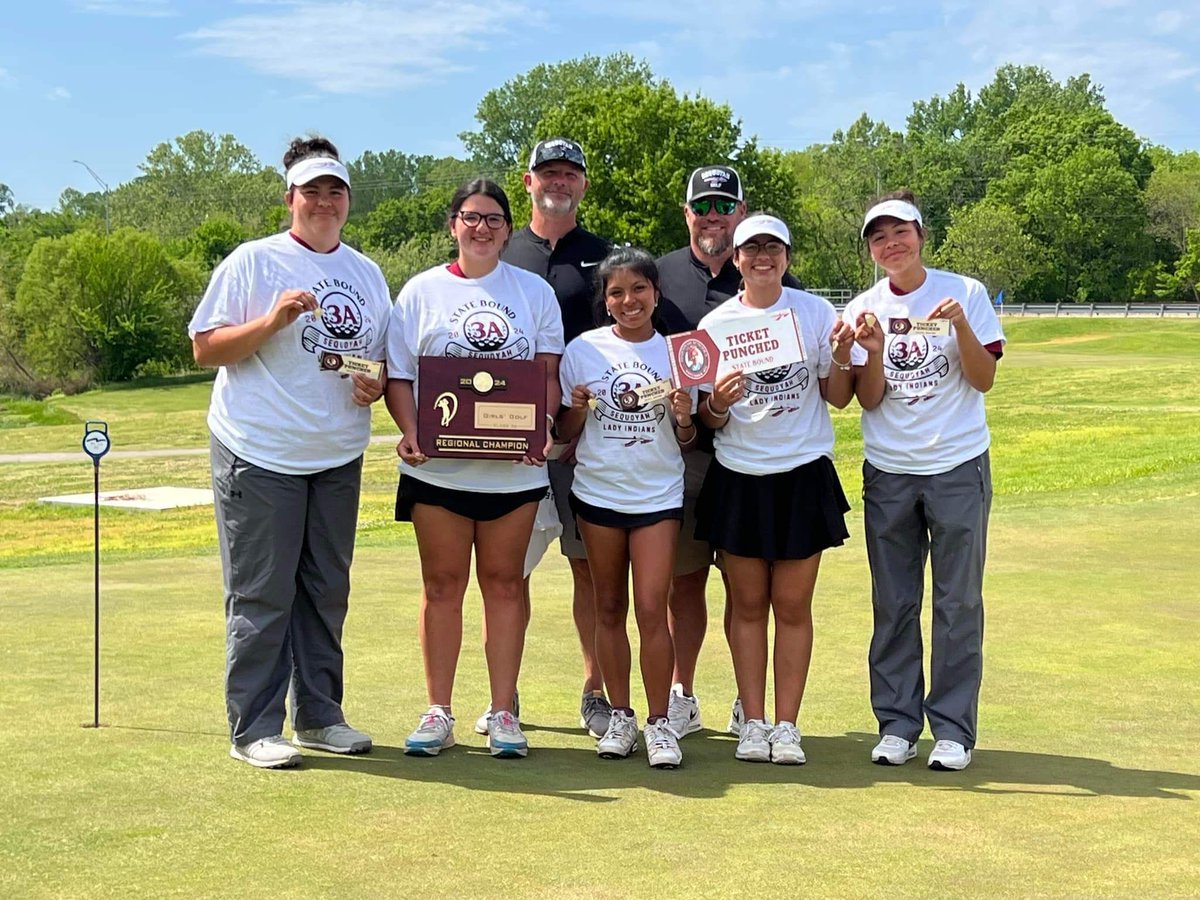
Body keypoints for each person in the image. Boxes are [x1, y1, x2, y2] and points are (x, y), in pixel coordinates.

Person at [189, 136, 389, 769]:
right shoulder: (254, 263)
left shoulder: (366, 272)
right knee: (262, 593)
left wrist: (375, 382)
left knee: (326, 589)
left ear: (348, 201)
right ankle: (253, 727)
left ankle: (322, 716)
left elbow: (374, 360)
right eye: (312, 192)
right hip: (260, 451)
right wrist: (272, 322)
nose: (324, 202)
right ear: (290, 199)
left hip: (336, 453)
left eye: (335, 191)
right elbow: (206, 348)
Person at [386, 178, 563, 759]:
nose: (481, 227)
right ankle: (438, 710)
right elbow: (401, 377)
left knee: (506, 586)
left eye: (492, 218)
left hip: (513, 475)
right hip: (438, 473)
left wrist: (540, 428)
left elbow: (546, 376)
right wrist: (411, 432)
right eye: (470, 217)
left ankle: (504, 710)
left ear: (508, 228)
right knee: (441, 588)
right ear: (452, 224)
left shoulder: (533, 292)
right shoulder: (420, 291)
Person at [842, 190, 1005, 772]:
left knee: (958, 601)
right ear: (871, 249)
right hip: (889, 470)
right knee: (894, 601)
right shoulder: (863, 307)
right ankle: (898, 724)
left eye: (900, 232)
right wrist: (876, 350)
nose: (892, 244)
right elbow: (867, 397)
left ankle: (954, 729)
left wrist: (960, 327)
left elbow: (983, 378)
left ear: (921, 234)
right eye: (879, 237)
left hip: (957, 465)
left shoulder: (964, 292)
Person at [694, 214, 853, 764]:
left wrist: (838, 352)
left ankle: (787, 725)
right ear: (735, 259)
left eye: (773, 248)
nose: (763, 257)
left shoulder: (815, 312)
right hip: (739, 475)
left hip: (803, 472)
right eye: (751, 248)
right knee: (746, 605)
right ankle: (753, 722)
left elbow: (838, 396)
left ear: (787, 256)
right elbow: (707, 420)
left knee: (791, 605)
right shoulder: (716, 325)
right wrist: (718, 402)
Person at [655, 165, 804, 739]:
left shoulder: (773, 280)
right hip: (688, 453)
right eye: (703, 205)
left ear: (740, 213)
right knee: (686, 582)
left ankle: (752, 704)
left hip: (759, 456)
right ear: (688, 213)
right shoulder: (662, 275)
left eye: (725, 204)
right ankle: (683, 694)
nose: (713, 214)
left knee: (755, 588)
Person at [483, 137, 613, 739]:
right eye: (548, 173)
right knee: (512, 572)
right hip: (513, 441)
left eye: (570, 174)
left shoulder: (606, 257)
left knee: (589, 571)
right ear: (529, 182)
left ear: (583, 185)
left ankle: (595, 692)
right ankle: (504, 697)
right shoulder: (499, 251)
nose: (558, 182)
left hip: (589, 440)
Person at [556, 247, 695, 768]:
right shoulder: (583, 349)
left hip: (658, 497)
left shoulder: (678, 352)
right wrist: (574, 408)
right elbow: (564, 433)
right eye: (617, 292)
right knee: (608, 608)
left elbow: (687, 438)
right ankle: (621, 716)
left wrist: (683, 416)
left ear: (656, 294)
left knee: (652, 609)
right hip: (598, 495)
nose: (628, 300)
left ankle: (661, 724)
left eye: (639, 289)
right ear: (605, 300)